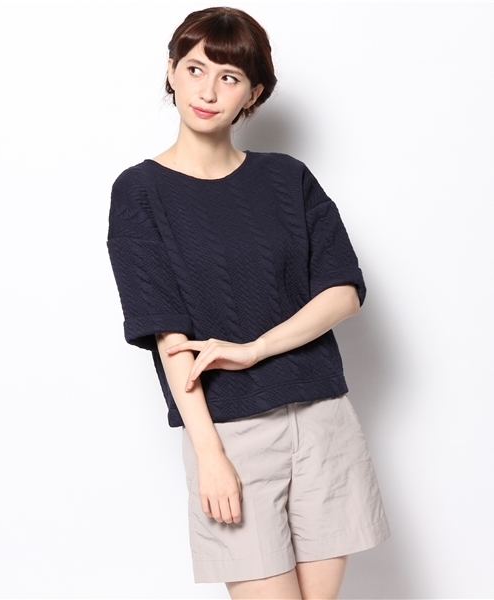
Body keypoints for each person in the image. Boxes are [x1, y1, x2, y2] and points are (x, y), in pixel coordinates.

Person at [107, 6, 390, 599]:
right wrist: (208, 455)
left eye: (229, 77)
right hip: (230, 432)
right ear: (171, 71)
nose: (208, 91)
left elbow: (343, 291)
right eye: (195, 69)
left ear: (253, 94)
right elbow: (167, 336)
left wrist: (254, 348)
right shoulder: (140, 191)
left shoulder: (287, 178)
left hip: (322, 419)